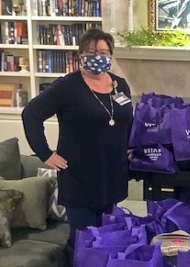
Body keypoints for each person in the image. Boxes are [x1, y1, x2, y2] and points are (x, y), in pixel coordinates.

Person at [22, 28, 133, 264]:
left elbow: (126, 119)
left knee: (107, 239)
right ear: (81, 54)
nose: (98, 56)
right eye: (92, 52)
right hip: (79, 177)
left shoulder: (119, 85)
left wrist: (129, 147)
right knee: (83, 242)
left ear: (111, 55)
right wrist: (45, 153)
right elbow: (31, 114)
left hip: (111, 174)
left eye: (104, 52)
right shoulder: (67, 87)